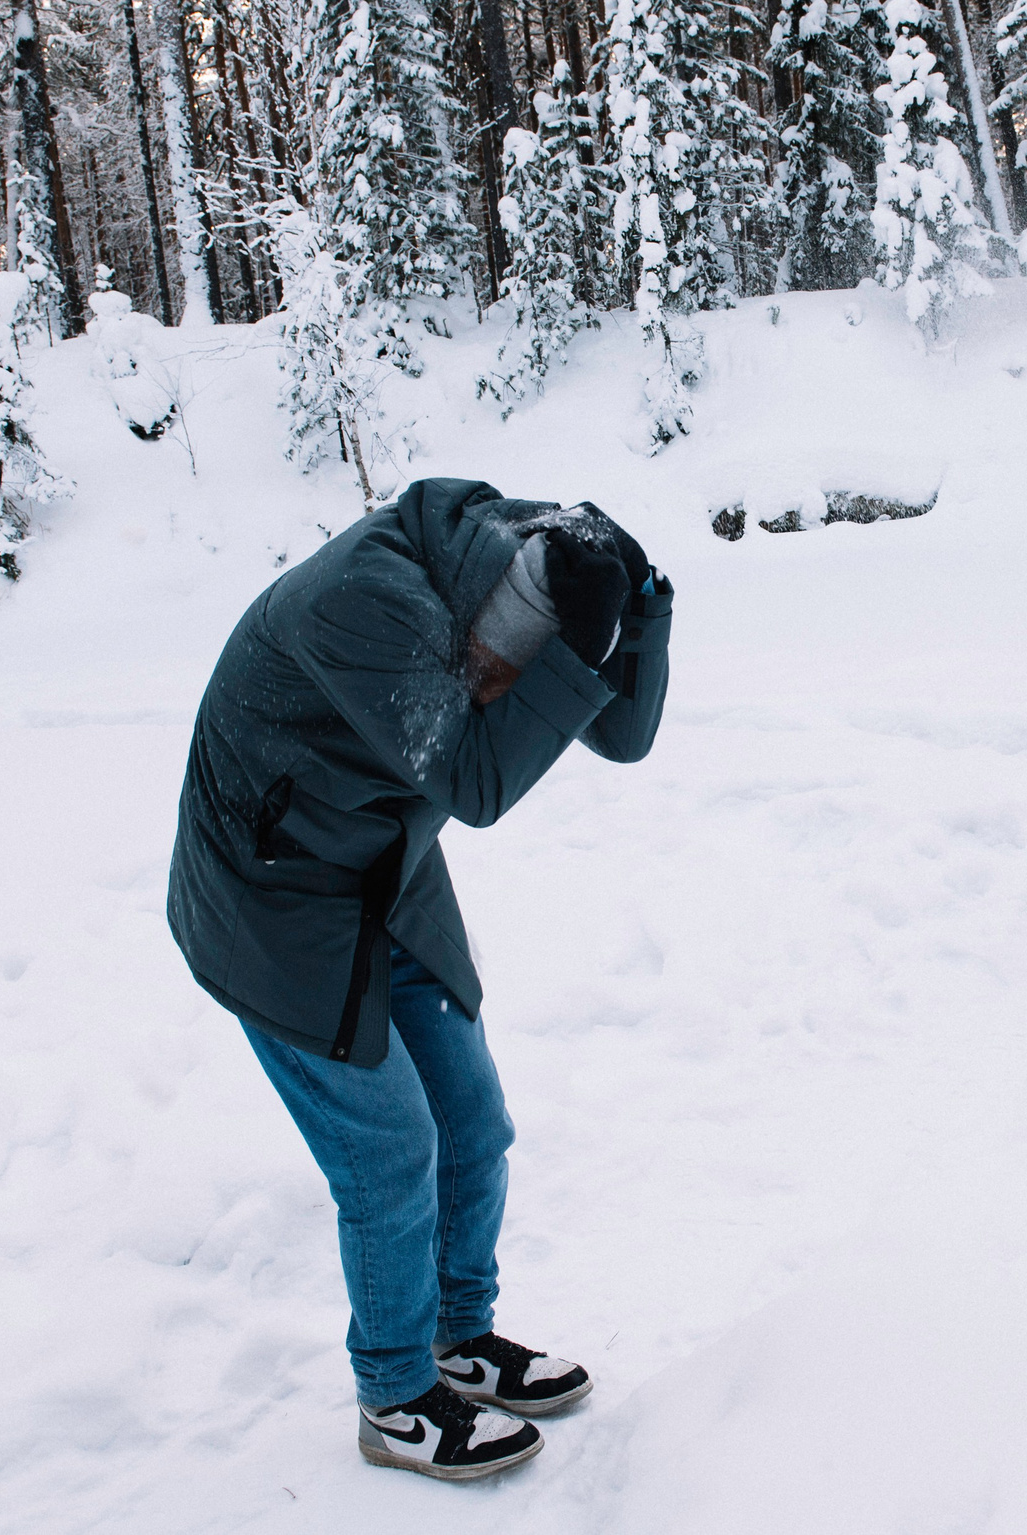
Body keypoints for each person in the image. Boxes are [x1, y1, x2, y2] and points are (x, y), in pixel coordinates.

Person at [166, 478, 672, 1480]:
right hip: (270, 896)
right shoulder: (365, 596)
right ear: (479, 617)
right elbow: (479, 782)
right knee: (393, 1151)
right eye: (494, 667)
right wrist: (562, 653)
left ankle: (456, 1333)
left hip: (380, 865)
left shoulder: (513, 564)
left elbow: (619, 733)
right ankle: (394, 1391)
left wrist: (640, 617)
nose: (493, 688)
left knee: (473, 1123)